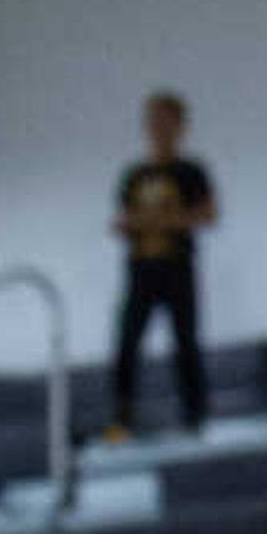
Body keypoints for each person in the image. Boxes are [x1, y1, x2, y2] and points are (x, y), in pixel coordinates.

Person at [109, 90, 217, 440]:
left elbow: (208, 214)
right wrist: (151, 222)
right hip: (141, 269)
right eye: (152, 120)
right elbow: (122, 222)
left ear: (180, 126)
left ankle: (195, 415)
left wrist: (160, 221)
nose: (157, 128)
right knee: (126, 341)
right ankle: (123, 417)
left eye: (165, 120)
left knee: (185, 341)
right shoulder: (134, 175)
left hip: (178, 268)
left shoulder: (191, 171)